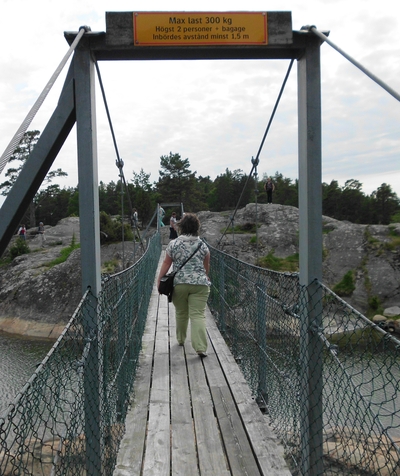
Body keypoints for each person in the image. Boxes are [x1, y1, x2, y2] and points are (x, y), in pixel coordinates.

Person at [157, 213, 211, 357]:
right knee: (197, 315)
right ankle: (200, 347)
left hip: (179, 283)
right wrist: (202, 276)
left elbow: (167, 263)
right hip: (200, 284)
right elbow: (206, 267)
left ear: (181, 227)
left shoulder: (173, 244)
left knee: (181, 312)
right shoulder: (203, 245)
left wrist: (159, 279)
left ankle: (181, 339)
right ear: (196, 228)